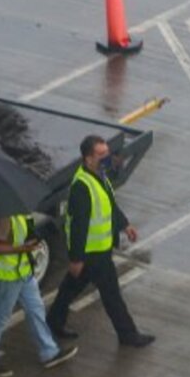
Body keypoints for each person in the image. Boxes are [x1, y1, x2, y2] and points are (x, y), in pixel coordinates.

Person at [46, 135, 154, 348]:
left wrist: (124, 225)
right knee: (111, 294)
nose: (107, 157)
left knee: (71, 287)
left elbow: (109, 205)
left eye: (107, 153)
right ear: (88, 159)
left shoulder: (99, 176)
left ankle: (53, 322)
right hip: (93, 252)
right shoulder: (82, 186)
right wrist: (76, 258)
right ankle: (128, 334)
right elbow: (78, 225)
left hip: (97, 249)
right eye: (101, 154)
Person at [0, 215, 78, 377]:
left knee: (35, 308)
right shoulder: (4, 218)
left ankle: (49, 351)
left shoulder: (18, 215)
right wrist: (21, 249)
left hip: (22, 272)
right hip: (7, 275)